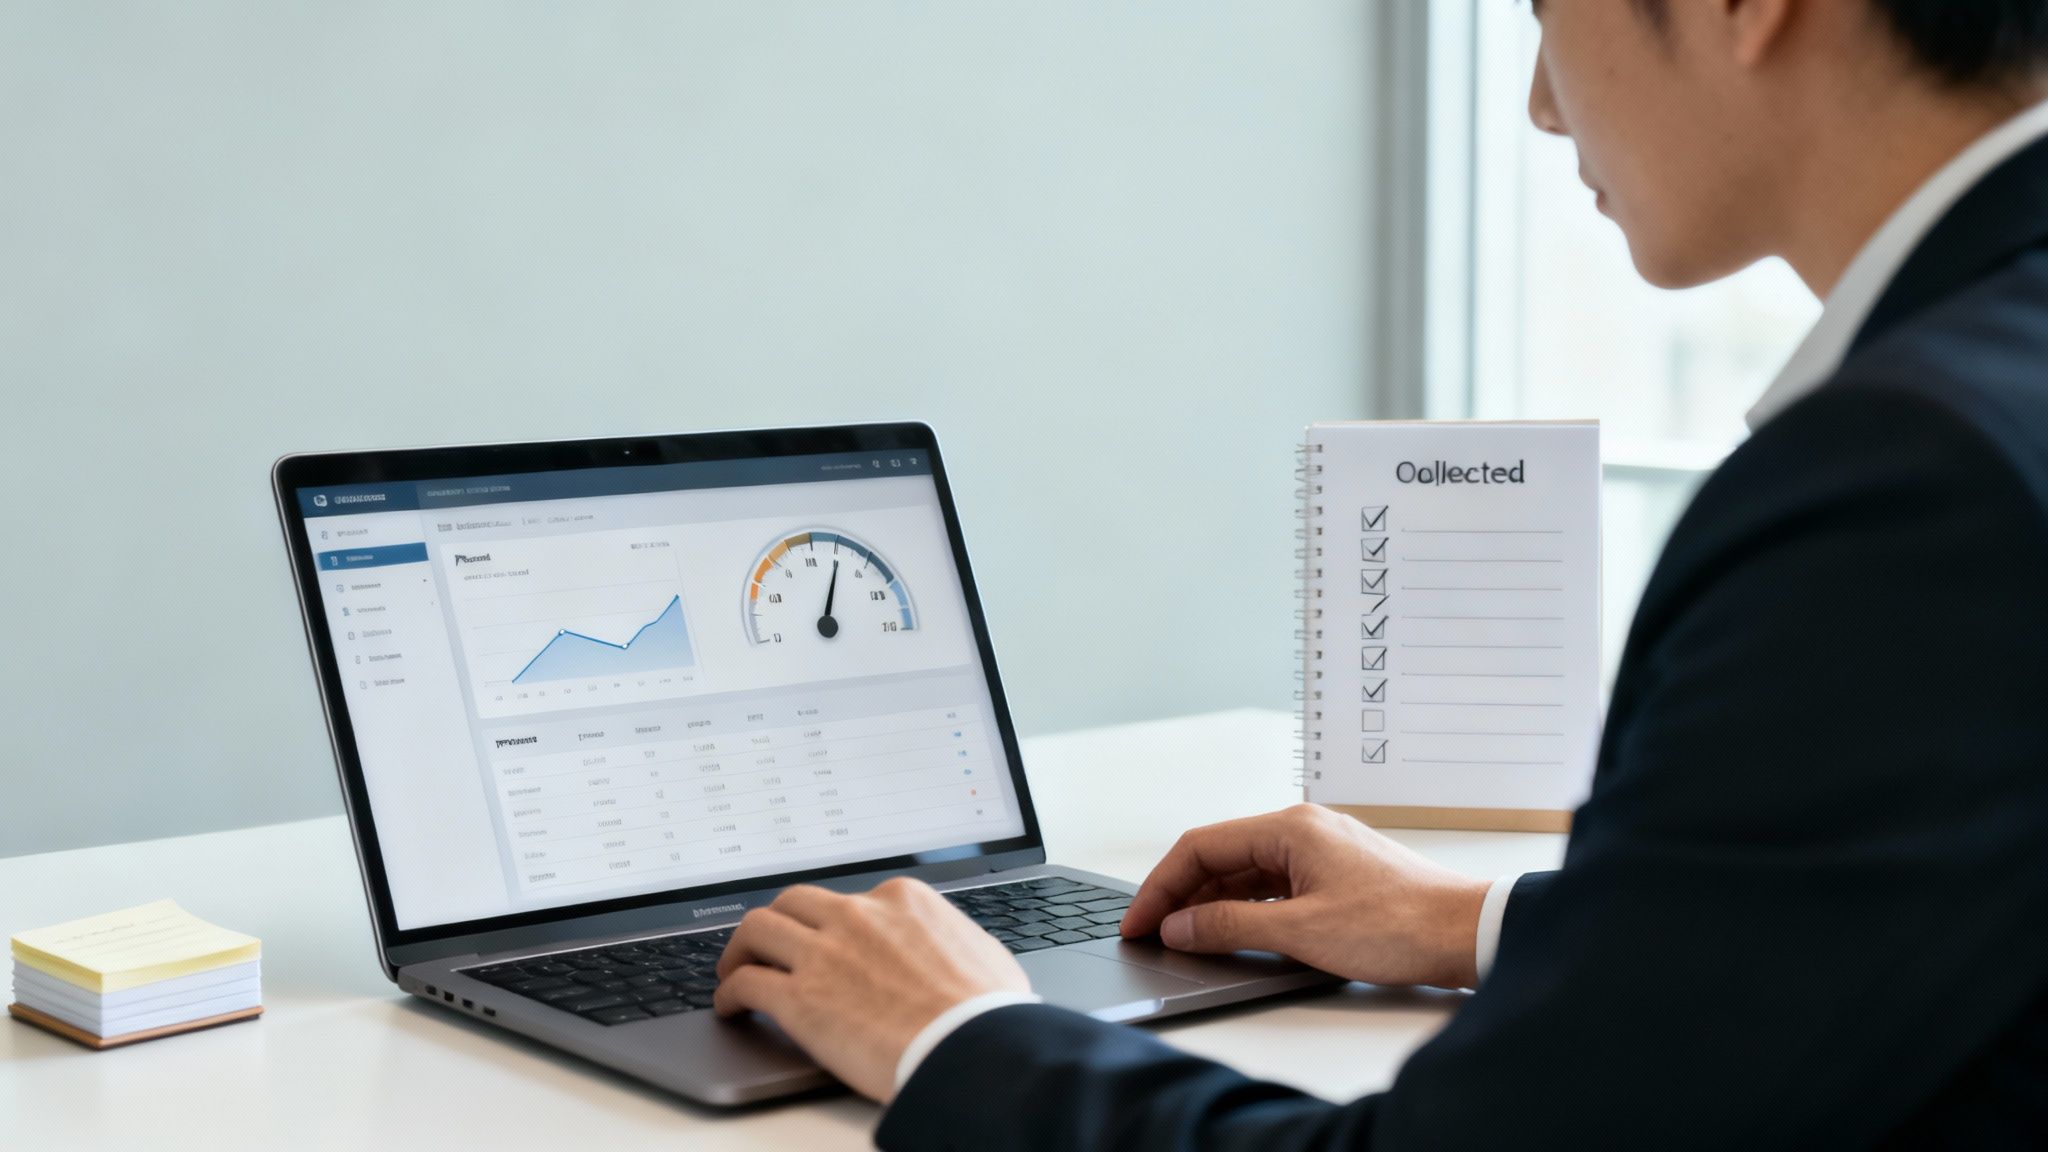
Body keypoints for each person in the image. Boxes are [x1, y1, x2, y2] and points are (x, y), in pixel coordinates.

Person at [713, 1, 2048, 1145]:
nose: (1534, 104)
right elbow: (1916, 914)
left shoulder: (1908, 484)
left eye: (1542, 13)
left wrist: (953, 1034)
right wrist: (1475, 922)